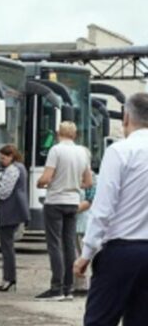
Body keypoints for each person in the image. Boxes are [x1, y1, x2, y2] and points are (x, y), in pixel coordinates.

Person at [75, 92, 148, 326]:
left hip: (121, 250)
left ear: (126, 119)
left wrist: (86, 252)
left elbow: (103, 208)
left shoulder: (122, 150)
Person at [36, 121, 93, 301]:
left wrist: (41, 183)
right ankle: (69, 288)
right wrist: (74, 184)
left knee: (54, 244)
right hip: (73, 202)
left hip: (55, 201)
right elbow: (88, 182)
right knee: (69, 245)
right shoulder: (82, 152)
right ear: (74, 135)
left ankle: (56, 287)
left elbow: (46, 178)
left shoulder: (56, 150)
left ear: (58, 133)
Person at [0, 144, 30, 292]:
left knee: (7, 247)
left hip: (10, 210)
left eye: (3, 157)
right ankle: (8, 278)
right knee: (8, 246)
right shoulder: (21, 167)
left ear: (11, 156)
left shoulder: (12, 169)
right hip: (15, 210)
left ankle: (9, 279)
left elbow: (5, 191)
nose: (1, 160)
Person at [74, 146, 97, 297]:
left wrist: (73, 208)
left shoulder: (92, 177)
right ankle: (79, 284)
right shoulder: (74, 174)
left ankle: (85, 285)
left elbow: (91, 199)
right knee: (76, 252)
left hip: (85, 220)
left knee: (85, 253)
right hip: (75, 221)